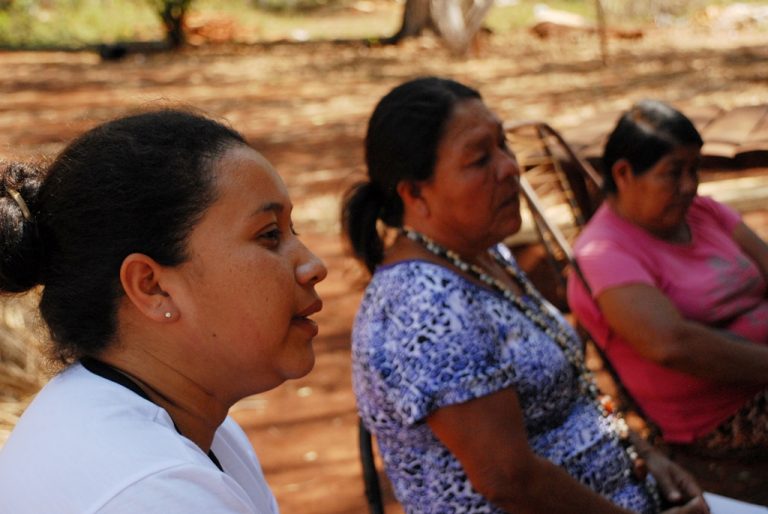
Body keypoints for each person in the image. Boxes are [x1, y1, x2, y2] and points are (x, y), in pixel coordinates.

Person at [342, 77, 708, 514]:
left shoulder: (483, 254)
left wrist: (643, 458)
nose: (509, 167)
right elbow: (508, 480)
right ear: (415, 193)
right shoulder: (425, 306)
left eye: (503, 144)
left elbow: (576, 392)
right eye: (480, 160)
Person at [0, 108, 327, 513]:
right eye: (269, 235)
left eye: (292, 230)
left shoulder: (197, 429)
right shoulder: (152, 489)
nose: (314, 266)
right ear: (152, 287)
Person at [567, 100, 768, 459]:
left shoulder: (704, 212)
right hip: (720, 412)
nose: (689, 186)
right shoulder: (604, 253)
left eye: (695, 169)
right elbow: (672, 345)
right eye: (673, 173)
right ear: (624, 173)